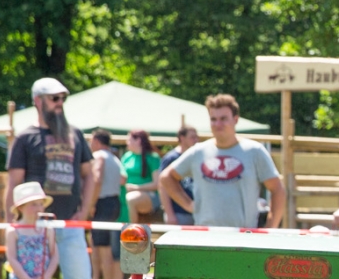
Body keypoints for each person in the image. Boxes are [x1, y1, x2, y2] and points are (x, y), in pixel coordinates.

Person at [6, 78, 105, 279]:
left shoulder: (75, 135)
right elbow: (13, 182)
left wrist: (84, 210)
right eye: (53, 98)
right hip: (34, 228)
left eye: (63, 98)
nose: (59, 104)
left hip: (69, 225)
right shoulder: (25, 138)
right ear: (38, 101)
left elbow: (90, 175)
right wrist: (12, 223)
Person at [159, 94, 286, 231]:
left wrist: (270, 228)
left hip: (243, 235)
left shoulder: (254, 151)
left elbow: (277, 189)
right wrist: (188, 205)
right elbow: (166, 177)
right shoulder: (198, 152)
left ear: (235, 120)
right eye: (213, 119)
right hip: (205, 234)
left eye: (223, 119)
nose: (218, 124)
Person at [89, 129, 124, 279]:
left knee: (104, 250)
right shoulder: (115, 159)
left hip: (102, 204)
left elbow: (97, 179)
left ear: (96, 141)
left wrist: (91, 203)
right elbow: (122, 179)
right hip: (114, 203)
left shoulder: (99, 157)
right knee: (98, 246)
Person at [158, 125, 200, 225]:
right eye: (192, 137)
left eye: (196, 137)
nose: (196, 140)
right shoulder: (171, 158)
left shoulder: (198, 156)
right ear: (182, 138)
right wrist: (169, 214)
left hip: (197, 212)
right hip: (179, 213)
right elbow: (162, 186)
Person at [121, 130, 158, 225]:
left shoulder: (153, 157)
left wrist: (136, 188)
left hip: (149, 195)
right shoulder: (126, 157)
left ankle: (131, 231)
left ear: (138, 141)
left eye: (129, 140)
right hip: (125, 192)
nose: (127, 142)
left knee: (130, 199)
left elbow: (156, 184)